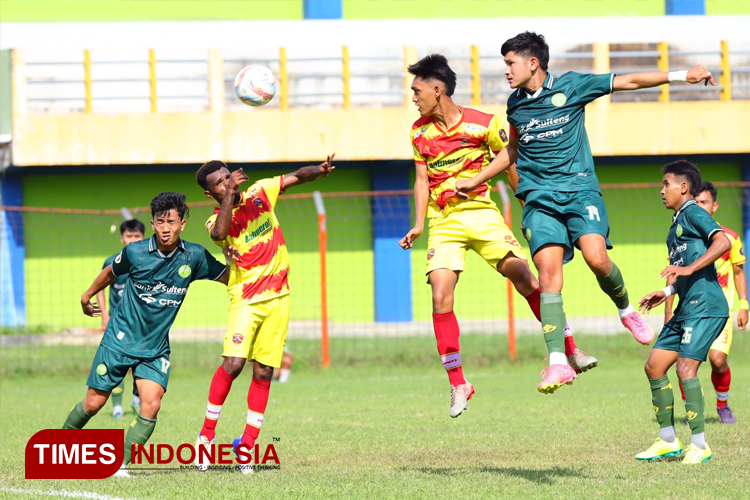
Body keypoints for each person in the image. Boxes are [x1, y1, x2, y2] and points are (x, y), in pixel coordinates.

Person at [456, 32, 716, 392]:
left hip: (580, 193)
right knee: (548, 276)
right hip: (539, 199)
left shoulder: (572, 86)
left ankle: (625, 310)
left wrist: (679, 75)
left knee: (597, 259)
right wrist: (476, 179)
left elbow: (628, 81)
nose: (506, 70)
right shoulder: (515, 104)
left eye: (510, 63)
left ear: (533, 62)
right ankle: (558, 363)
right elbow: (512, 151)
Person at [398, 54, 597, 413]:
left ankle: (570, 349)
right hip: (444, 222)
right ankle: (459, 384)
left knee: (526, 279)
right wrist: (417, 223)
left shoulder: (485, 123)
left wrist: (528, 209)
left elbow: (510, 164)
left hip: (483, 214)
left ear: (437, 89)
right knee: (440, 296)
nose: (413, 97)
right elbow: (422, 180)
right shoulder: (418, 131)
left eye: (417, 90)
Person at [63, 192, 230, 478]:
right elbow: (109, 273)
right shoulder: (136, 252)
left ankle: (119, 464)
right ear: (152, 223)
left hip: (155, 348)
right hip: (119, 340)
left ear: (183, 224)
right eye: (161, 222)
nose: (166, 228)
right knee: (93, 403)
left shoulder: (195, 256)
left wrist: (250, 269)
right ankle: (60, 447)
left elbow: (229, 278)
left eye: (172, 222)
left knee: (151, 406)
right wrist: (86, 295)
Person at [193, 155, 335, 474]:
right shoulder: (216, 219)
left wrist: (320, 171)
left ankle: (247, 445)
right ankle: (205, 437)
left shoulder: (260, 192)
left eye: (228, 176)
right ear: (210, 193)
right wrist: (230, 194)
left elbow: (298, 176)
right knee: (233, 364)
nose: (227, 182)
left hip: (279, 297)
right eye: (219, 182)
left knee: (264, 372)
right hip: (246, 300)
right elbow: (219, 235)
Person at [637, 160, 730, 464]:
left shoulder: (694, 213)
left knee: (685, 370)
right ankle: (667, 440)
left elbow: (723, 240)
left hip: (706, 307)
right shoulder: (675, 226)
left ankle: (700, 445)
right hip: (685, 307)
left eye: (666, 184)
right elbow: (685, 273)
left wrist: (688, 266)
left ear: (684, 187)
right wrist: (664, 292)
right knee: (654, 366)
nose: (661, 190)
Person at [669, 182, 747, 424]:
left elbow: (738, 271)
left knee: (718, 360)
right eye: (696, 202)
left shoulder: (729, 238)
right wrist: (668, 313)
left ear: (714, 206)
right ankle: (695, 411)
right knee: (684, 364)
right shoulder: (684, 236)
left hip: (719, 311)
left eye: (704, 202)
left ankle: (722, 406)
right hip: (690, 309)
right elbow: (674, 272)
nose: (699, 206)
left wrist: (744, 305)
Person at [96, 219, 145, 419]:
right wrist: (104, 315)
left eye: (137, 236)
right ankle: (117, 407)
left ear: (143, 237)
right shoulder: (112, 262)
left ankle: (137, 398)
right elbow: (100, 287)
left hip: (141, 324)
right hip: (118, 323)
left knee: (139, 364)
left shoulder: (149, 261)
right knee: (115, 364)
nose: (133, 240)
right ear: (122, 238)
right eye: (129, 236)